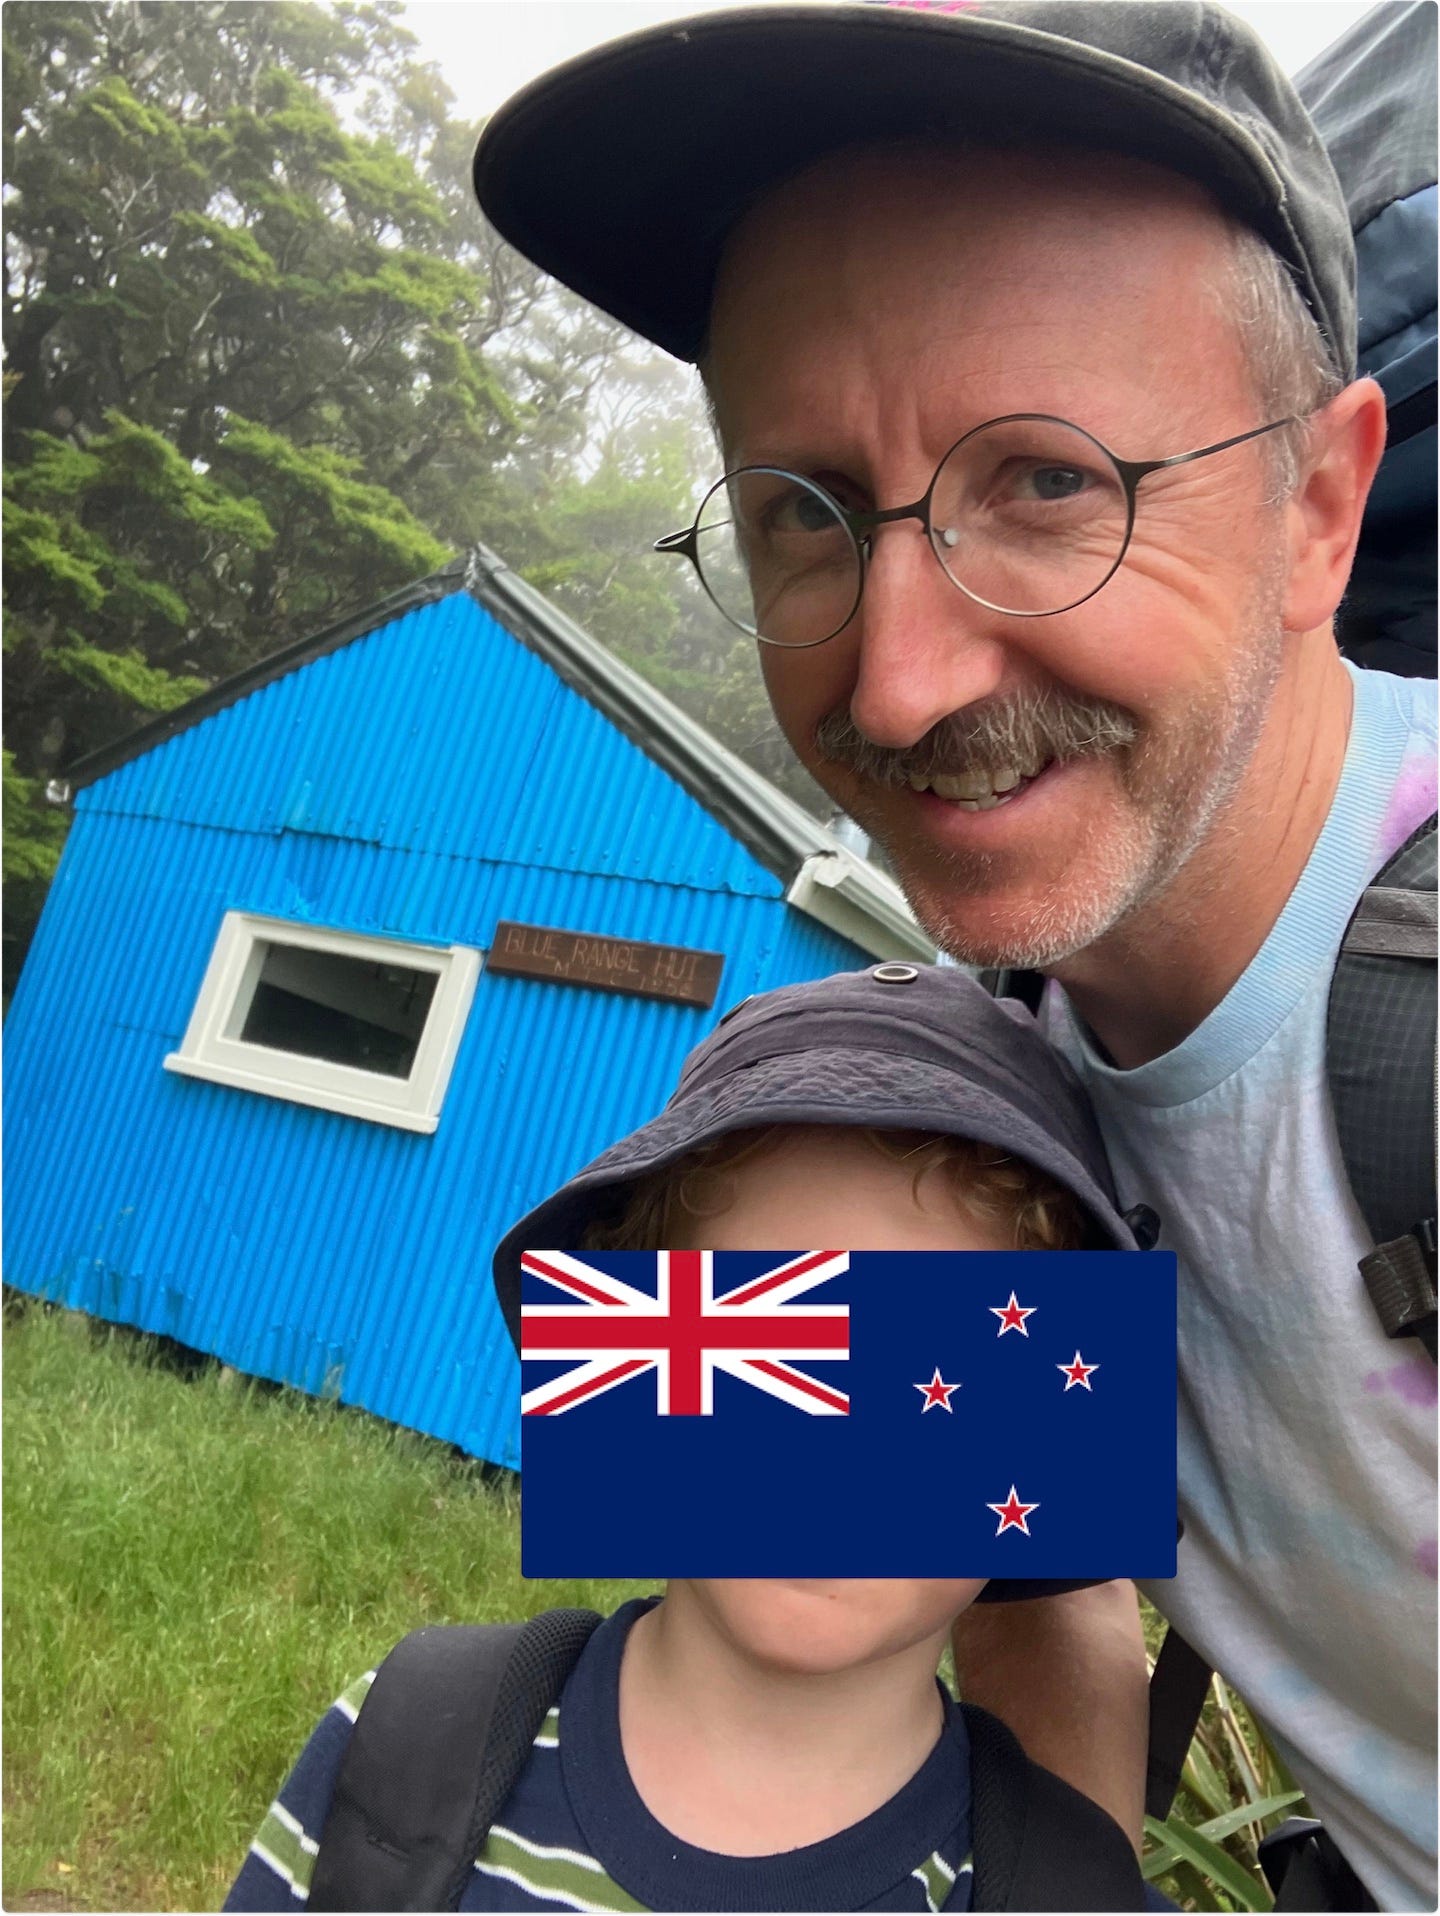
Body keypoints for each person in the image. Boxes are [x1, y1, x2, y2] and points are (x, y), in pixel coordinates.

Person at [469, 6, 1439, 1907]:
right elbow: (1028, 1583)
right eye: (802, 517)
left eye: (1050, 483)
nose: (898, 680)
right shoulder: (986, 1060)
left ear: (1319, 507)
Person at [225, 966, 1158, 1911]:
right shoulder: (408, 1742)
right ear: (632, 1357)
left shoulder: (1064, 1892)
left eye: (940, 1380)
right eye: (762, 1348)